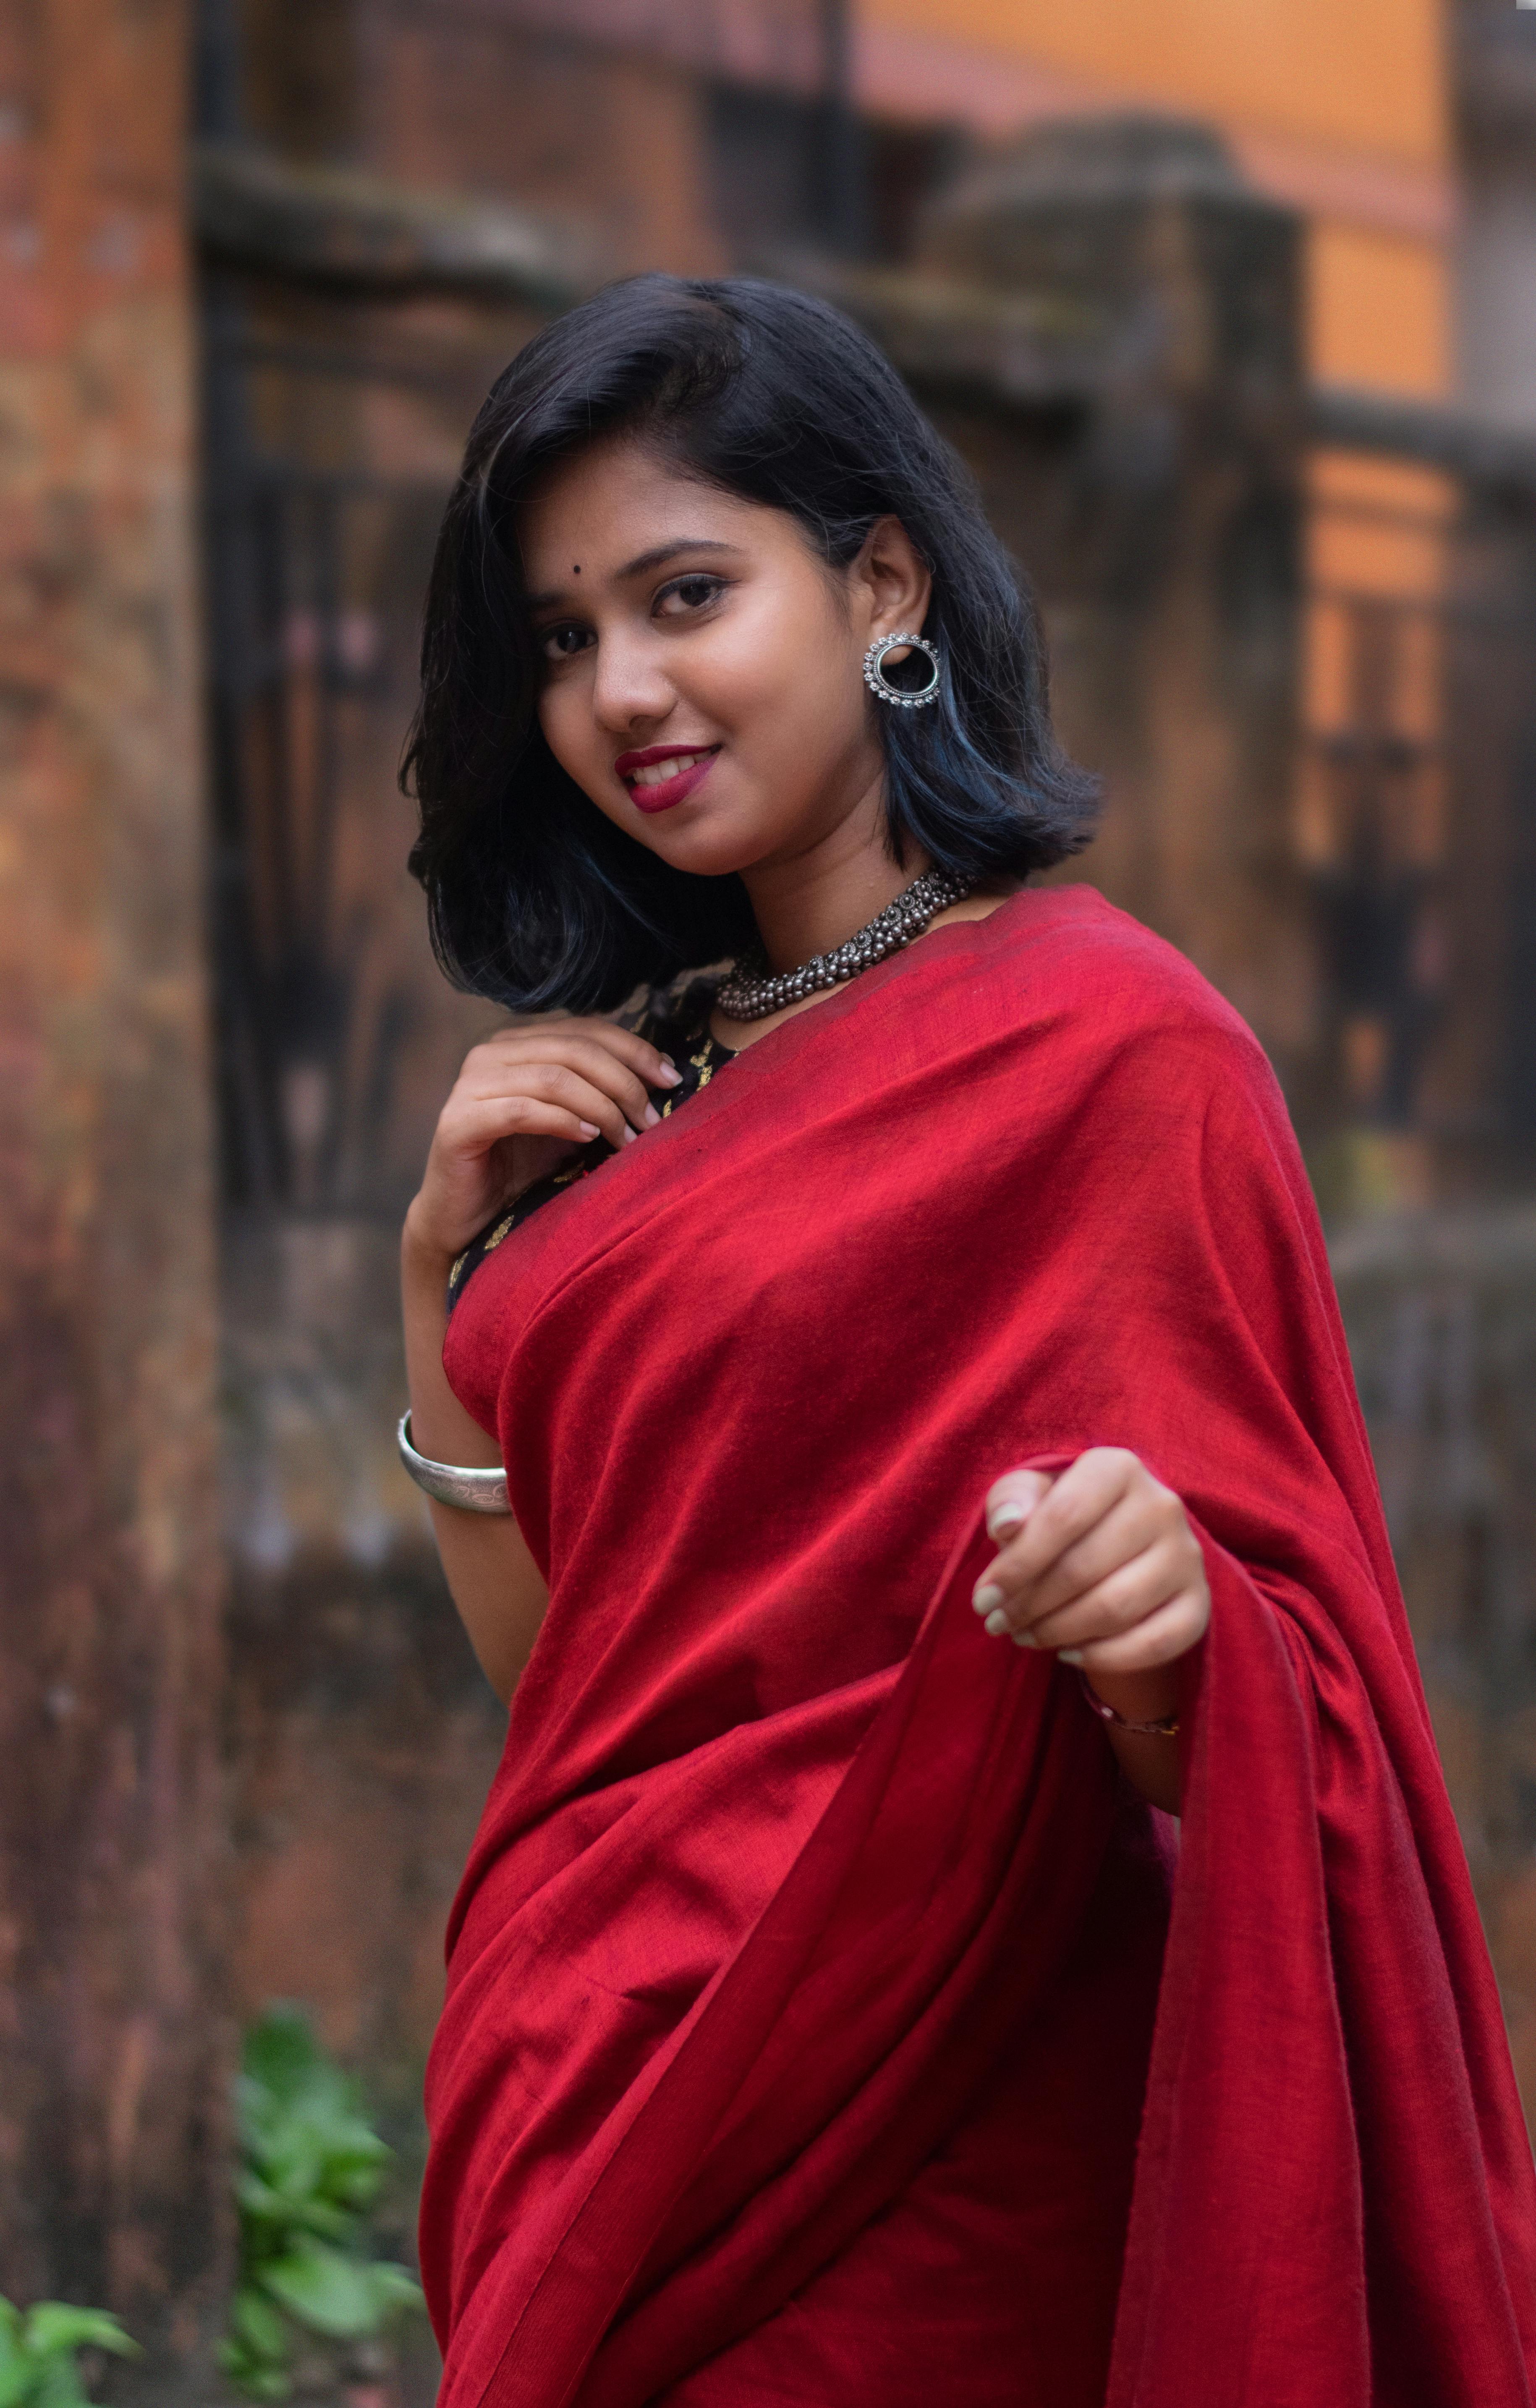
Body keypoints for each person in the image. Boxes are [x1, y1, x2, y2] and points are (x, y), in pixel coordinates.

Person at [397, 275, 1536, 2408]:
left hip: (929, 2135)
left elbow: (1279, 1717)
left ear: (882, 583)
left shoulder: (1115, 1049)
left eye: (686, 592)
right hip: (589, 2081)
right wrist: (434, 1308)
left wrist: (1179, 1627)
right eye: (565, 638)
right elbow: (586, 1689)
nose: (621, 688)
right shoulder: (630, 1091)